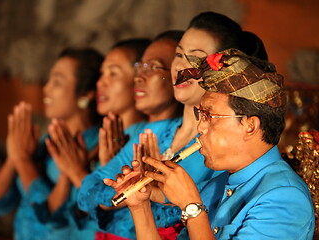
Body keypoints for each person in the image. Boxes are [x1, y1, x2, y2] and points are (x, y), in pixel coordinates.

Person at [108, 49, 315, 240]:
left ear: (250, 125)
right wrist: (140, 205)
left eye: (209, 115)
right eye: (201, 115)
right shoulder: (220, 183)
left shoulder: (284, 198)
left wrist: (192, 207)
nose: (201, 127)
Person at [0, 47, 103, 240]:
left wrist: (24, 162)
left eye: (57, 82)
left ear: (86, 93)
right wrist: (14, 156)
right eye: (49, 80)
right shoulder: (45, 142)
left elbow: (54, 214)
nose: (46, 88)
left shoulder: (97, 146)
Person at [77, 31, 185, 239]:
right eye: (139, 67)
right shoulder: (141, 134)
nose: (139, 77)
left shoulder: (194, 138)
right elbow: (88, 192)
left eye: (152, 67)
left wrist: (147, 193)